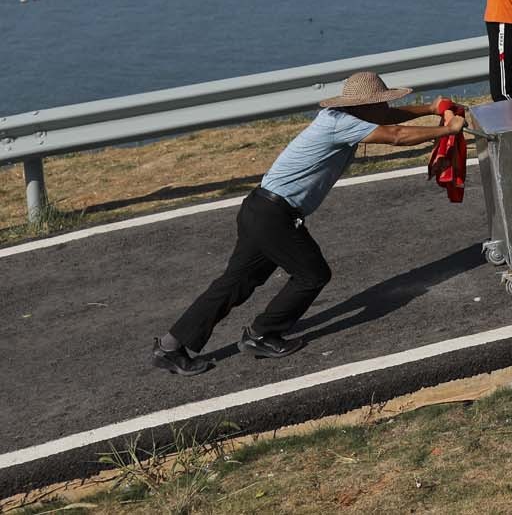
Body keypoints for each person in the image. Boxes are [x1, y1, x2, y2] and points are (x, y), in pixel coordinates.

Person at [151, 72, 465, 376]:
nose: (385, 108)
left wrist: (428, 108)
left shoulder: (349, 117)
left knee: (235, 283)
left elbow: (389, 119)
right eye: (380, 103)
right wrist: (447, 130)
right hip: (274, 216)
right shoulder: (342, 125)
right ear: (363, 106)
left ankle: (170, 347)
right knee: (312, 274)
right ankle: (261, 335)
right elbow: (395, 136)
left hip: (261, 209)